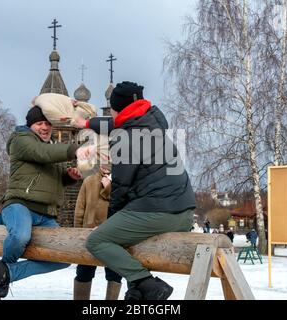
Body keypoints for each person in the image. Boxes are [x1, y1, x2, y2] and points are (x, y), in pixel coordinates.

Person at [74, 81, 196, 300]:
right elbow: (117, 123)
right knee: (125, 239)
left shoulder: (126, 139)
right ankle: (136, 290)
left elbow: (120, 189)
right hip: (184, 212)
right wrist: (86, 122)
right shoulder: (151, 122)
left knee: (97, 241)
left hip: (159, 211)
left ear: (115, 108)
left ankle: (146, 284)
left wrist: (108, 224)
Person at [0, 101, 90, 298]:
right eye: (40, 123)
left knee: (65, 257)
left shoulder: (49, 147)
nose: (45, 127)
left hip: (46, 215)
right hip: (19, 206)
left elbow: (50, 174)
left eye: (48, 124)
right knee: (20, 236)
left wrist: (68, 176)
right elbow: (41, 153)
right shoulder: (21, 140)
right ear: (31, 125)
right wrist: (73, 150)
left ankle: (5, 273)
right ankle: (2, 272)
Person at [73, 164, 122, 300]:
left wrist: (109, 187)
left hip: (114, 237)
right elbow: (79, 210)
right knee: (84, 272)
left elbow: (123, 205)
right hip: (89, 235)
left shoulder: (122, 182)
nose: (106, 164)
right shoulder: (89, 181)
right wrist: (78, 234)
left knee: (115, 274)